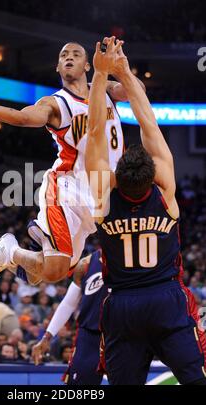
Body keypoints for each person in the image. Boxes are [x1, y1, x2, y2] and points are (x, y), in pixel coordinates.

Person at [0, 41, 143, 285]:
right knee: (57, 270)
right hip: (67, 189)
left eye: (76, 54)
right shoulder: (55, 103)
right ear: (57, 66)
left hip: (101, 194)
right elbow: (23, 118)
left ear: (88, 64)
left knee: (42, 274)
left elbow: (137, 90)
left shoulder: (105, 90)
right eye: (63, 55)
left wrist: (121, 68)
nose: (69, 57)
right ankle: (7, 250)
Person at [85, 36, 206, 385]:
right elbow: (147, 123)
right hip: (166, 297)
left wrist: (100, 74)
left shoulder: (103, 195)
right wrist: (123, 72)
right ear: (151, 176)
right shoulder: (164, 189)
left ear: (116, 177)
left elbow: (94, 132)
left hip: (122, 305)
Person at [32, 250, 107, 385]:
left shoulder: (134, 262)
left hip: (121, 334)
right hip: (90, 335)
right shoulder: (86, 264)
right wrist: (47, 337)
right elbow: (68, 304)